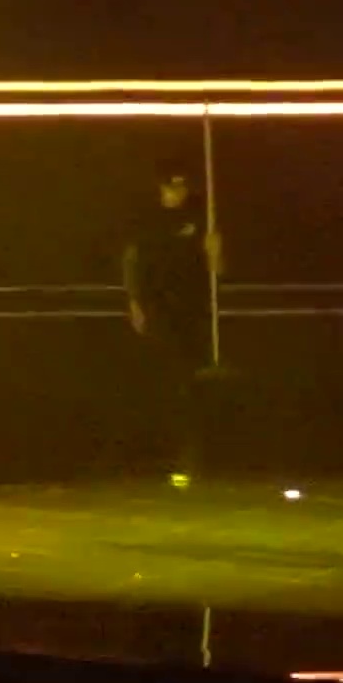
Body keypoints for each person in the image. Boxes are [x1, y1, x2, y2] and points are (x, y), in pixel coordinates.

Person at [122, 158, 221, 486]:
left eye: (182, 187)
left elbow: (217, 270)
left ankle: (190, 457)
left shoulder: (199, 219)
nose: (177, 192)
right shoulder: (147, 221)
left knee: (188, 383)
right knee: (164, 381)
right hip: (158, 310)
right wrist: (135, 304)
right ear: (161, 188)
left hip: (190, 311)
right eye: (171, 186)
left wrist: (215, 252)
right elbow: (132, 261)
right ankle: (159, 454)